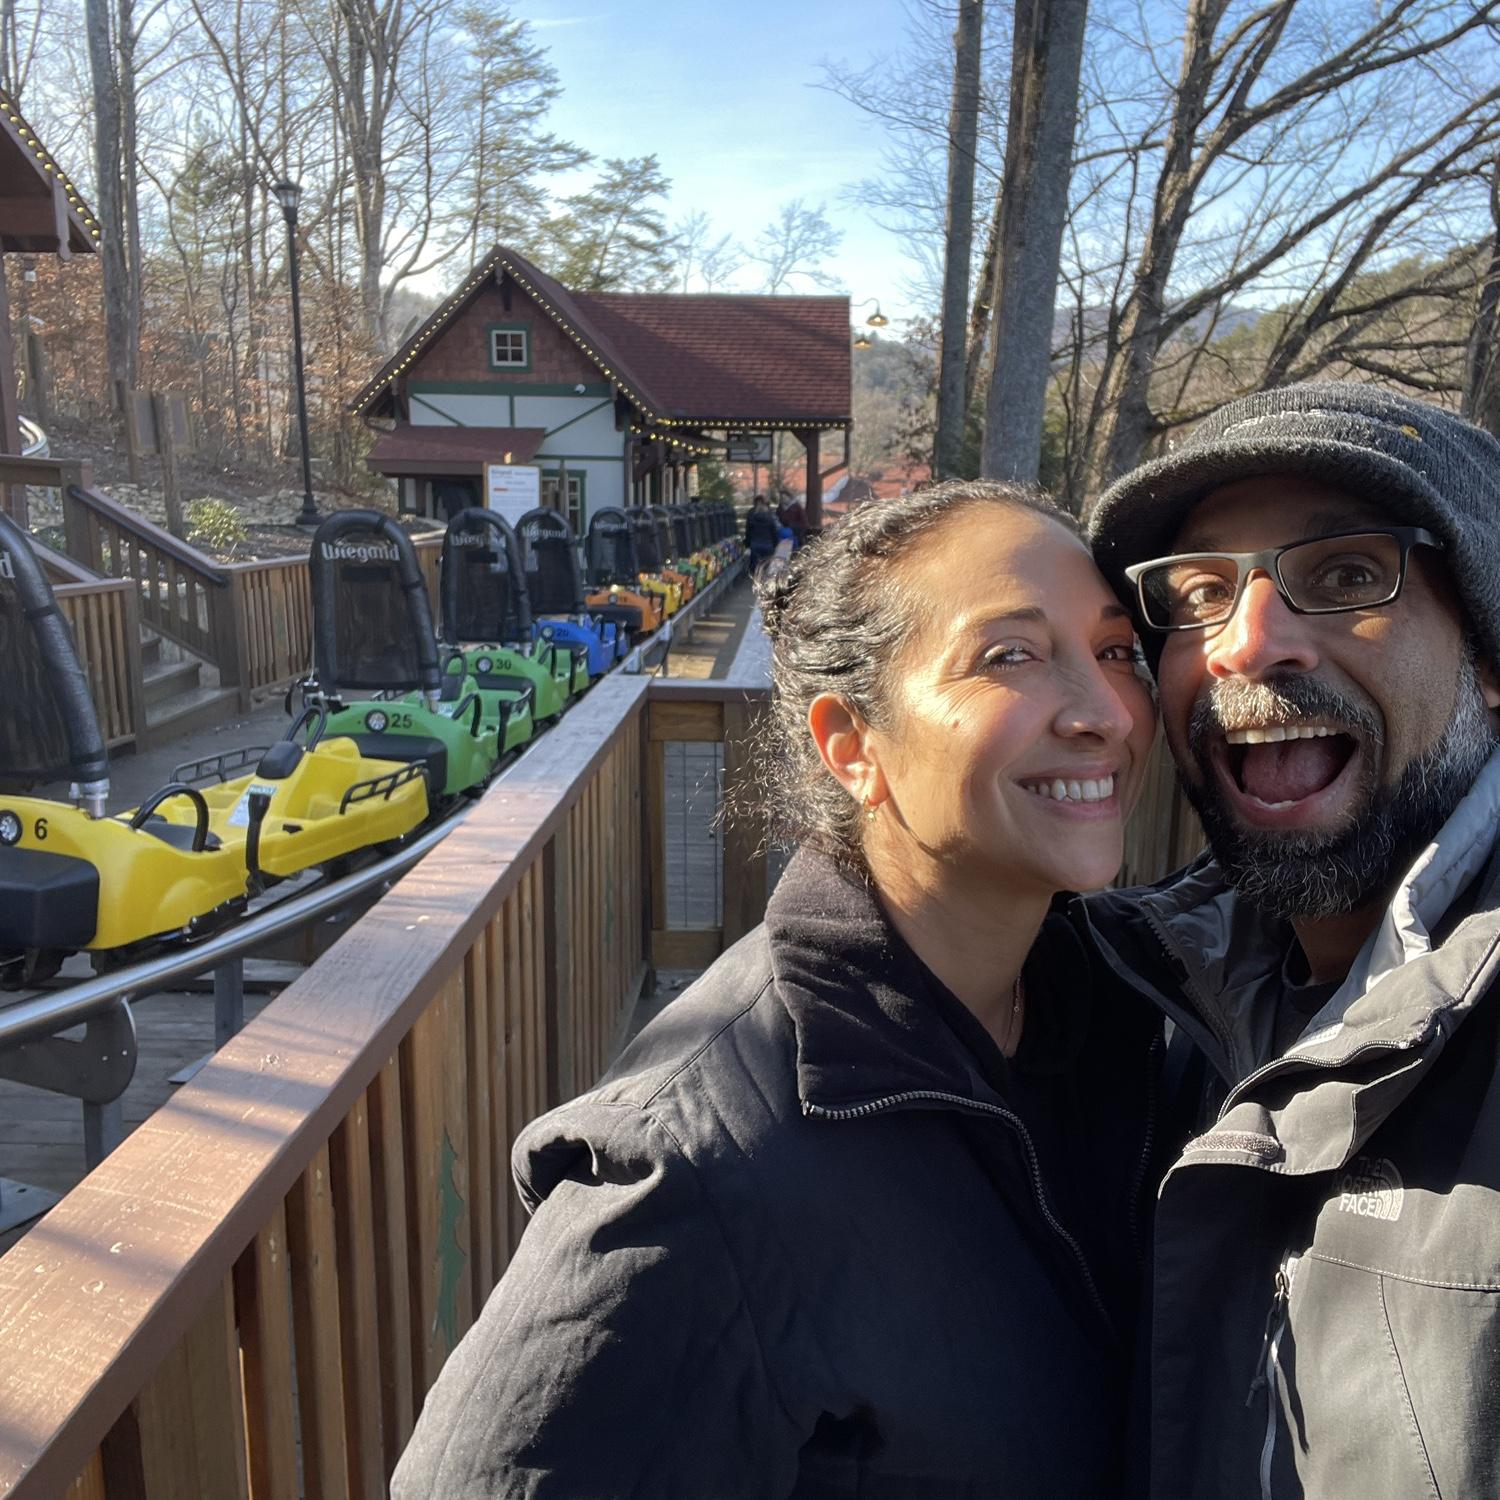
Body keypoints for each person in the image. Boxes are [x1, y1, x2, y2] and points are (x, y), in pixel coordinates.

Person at [392, 479, 1165, 1497]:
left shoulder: (1142, 1028)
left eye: (1115, 651)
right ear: (852, 745)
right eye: (1009, 656)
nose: (1106, 710)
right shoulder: (694, 1176)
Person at [1086, 381, 1500, 1499]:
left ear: (1491, 660)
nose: (1247, 643)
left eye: (1351, 575)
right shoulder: (1148, 989)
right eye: (1201, 593)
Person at [744, 491, 778, 567]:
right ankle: (765, 577)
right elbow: (774, 531)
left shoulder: (751, 514)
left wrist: (747, 544)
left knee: (755, 566)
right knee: (767, 565)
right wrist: (775, 544)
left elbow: (748, 531)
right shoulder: (769, 515)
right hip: (768, 544)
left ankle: (755, 577)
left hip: (755, 544)